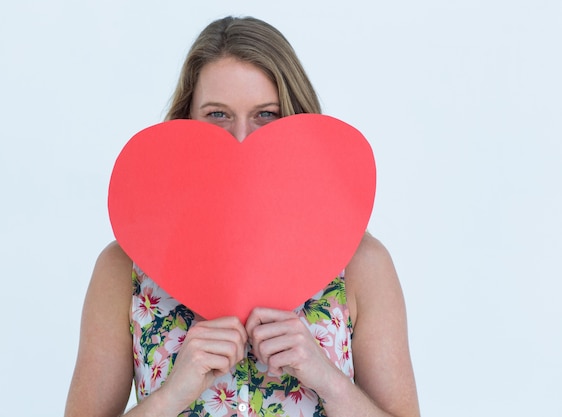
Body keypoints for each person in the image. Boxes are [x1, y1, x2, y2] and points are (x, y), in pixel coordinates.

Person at [65, 16, 420, 417]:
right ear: (186, 123)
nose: (240, 140)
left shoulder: (360, 265)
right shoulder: (125, 269)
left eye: (265, 114)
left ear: (295, 119)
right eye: (218, 114)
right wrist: (171, 396)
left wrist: (328, 381)